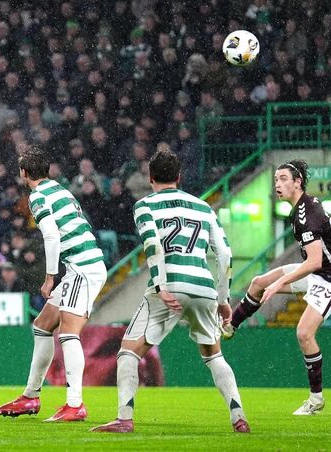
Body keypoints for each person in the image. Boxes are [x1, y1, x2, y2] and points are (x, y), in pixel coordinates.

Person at [91, 149, 249, 434]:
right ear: (179, 177)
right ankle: (238, 416)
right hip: (203, 286)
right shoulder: (202, 207)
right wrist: (223, 299)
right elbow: (224, 253)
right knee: (214, 356)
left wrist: (162, 286)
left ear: (150, 178)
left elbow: (153, 245)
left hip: (170, 286)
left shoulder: (145, 205)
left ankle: (124, 419)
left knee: (127, 353)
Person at [223, 160, 331, 415]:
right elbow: (313, 262)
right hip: (317, 272)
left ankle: (316, 399)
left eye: (283, 179)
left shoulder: (308, 215)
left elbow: (314, 261)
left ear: (298, 182)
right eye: (276, 180)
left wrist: (282, 282)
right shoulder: (300, 209)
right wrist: (279, 281)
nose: (278, 184)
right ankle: (229, 326)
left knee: (304, 333)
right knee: (258, 283)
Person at [0, 145, 107, 422]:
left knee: (69, 333)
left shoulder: (39, 196)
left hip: (82, 268)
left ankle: (75, 404)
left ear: (23, 172)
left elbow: (52, 237)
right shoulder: (61, 190)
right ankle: (31, 397)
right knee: (42, 325)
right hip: (80, 266)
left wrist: (49, 278)